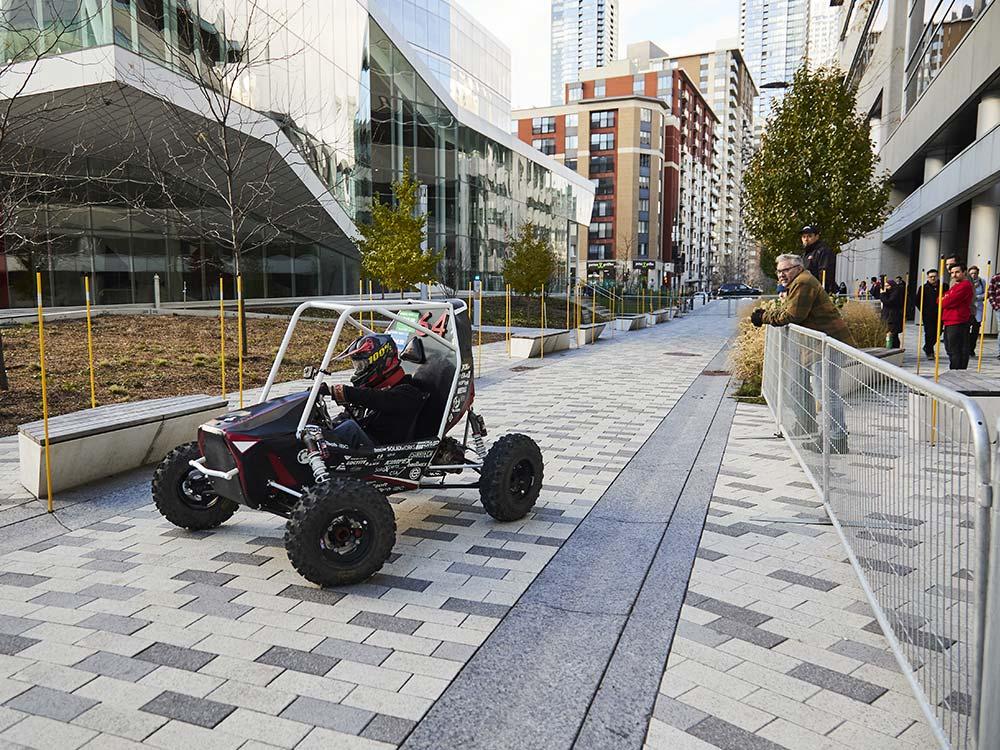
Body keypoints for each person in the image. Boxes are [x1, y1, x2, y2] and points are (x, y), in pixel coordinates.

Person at [751, 254, 855, 454]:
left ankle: (837, 438)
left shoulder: (803, 282)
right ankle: (834, 436)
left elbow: (793, 315)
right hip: (820, 346)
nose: (781, 274)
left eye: (785, 270)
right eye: (779, 271)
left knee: (826, 393)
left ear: (798, 268)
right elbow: (791, 311)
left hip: (828, 344)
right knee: (823, 391)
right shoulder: (799, 282)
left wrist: (763, 316)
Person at [326, 334, 430, 448]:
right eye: (357, 367)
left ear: (380, 361)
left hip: (384, 453)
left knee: (349, 428)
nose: (358, 371)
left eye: (361, 366)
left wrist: (339, 391)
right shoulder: (375, 391)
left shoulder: (408, 392)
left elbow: (379, 399)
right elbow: (347, 416)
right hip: (361, 451)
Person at [941, 263, 974, 370]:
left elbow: (945, 302)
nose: (954, 275)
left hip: (957, 320)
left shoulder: (964, 285)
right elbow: (942, 299)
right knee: (950, 348)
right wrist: (945, 298)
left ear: (964, 272)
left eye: (957, 272)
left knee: (955, 349)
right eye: (952, 273)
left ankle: (957, 370)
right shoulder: (956, 285)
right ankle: (956, 368)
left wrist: (945, 298)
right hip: (950, 320)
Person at [800, 224, 837, 293]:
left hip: (818, 293)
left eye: (809, 236)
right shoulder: (804, 255)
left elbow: (824, 273)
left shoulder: (823, 251)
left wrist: (823, 292)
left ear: (817, 237)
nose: (806, 239)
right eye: (803, 236)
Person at [921, 269, 947, 359]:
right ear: (928, 278)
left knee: (938, 333)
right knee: (929, 333)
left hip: (940, 314)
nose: (933, 278)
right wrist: (924, 310)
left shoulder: (944, 286)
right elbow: (918, 301)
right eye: (931, 277)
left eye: (934, 276)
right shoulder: (923, 288)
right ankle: (930, 351)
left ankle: (927, 346)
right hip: (928, 315)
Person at [880, 278, 905, 348]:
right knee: (890, 335)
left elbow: (888, 302)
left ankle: (893, 348)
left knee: (892, 335)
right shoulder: (889, 293)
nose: (886, 288)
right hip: (887, 316)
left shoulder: (896, 293)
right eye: (885, 286)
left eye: (888, 286)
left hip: (893, 317)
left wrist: (882, 294)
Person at [969, 265, 986, 358]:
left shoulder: (982, 282)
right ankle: (966, 348)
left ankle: (972, 349)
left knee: (975, 330)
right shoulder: (966, 282)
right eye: (971, 273)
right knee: (966, 330)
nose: (973, 275)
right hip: (968, 309)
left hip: (978, 308)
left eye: (975, 273)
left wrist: (977, 297)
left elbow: (986, 294)